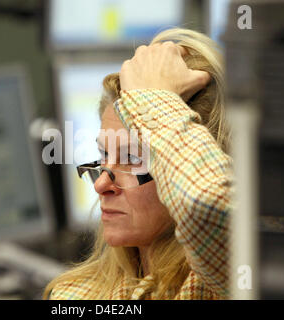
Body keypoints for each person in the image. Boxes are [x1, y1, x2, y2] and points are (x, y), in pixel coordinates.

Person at [44, 28, 233, 300]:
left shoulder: (233, 279)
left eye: (133, 158)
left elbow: (210, 205)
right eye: (104, 154)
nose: (100, 184)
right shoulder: (73, 296)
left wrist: (154, 102)